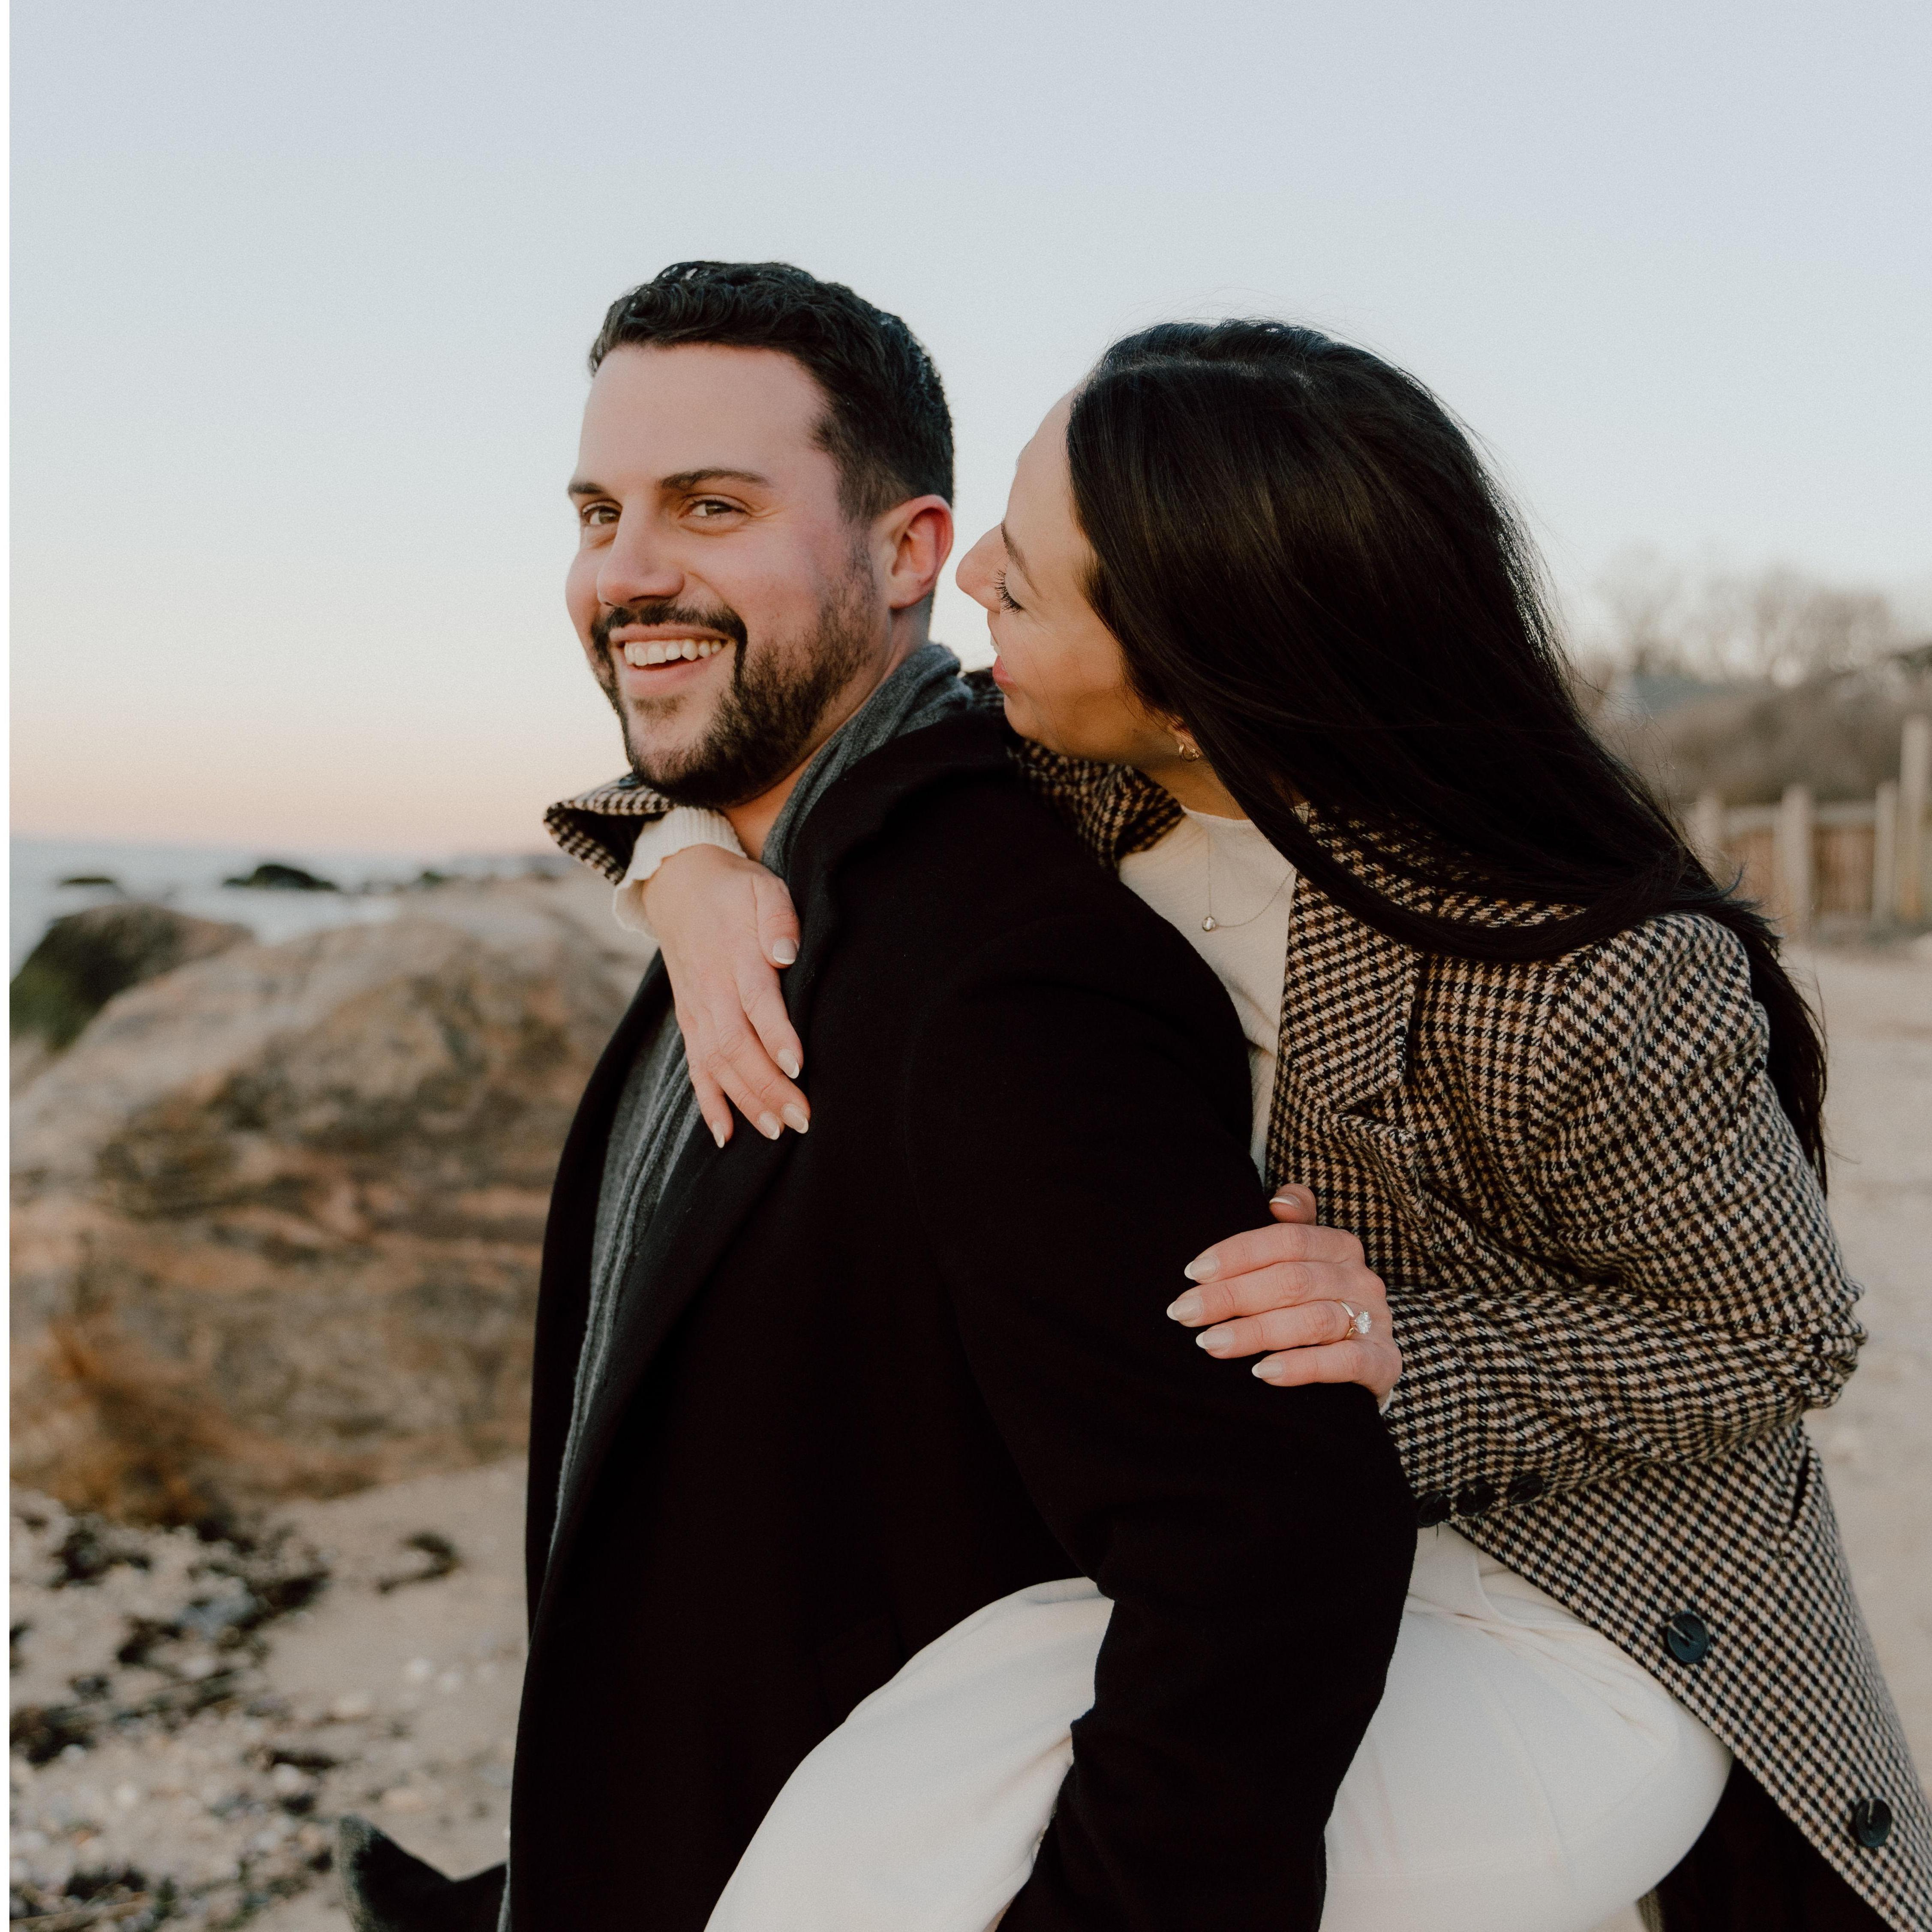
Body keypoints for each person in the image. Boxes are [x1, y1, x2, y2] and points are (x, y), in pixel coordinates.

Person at [613, 322, 1930, 1929]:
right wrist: (682, 868)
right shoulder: (1059, 787)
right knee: (847, 1835)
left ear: (1188, 666)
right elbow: (739, 743)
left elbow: (1771, 1337)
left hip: (1587, 1610)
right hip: (1239, 1554)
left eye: (1023, 579)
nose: (972, 595)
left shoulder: (1588, 974)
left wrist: (1392, 1345)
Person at [337, 264, 1416, 1932]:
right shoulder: (748, 867)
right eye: (598, 509)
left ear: (910, 552)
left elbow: (1272, 1552)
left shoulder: (1001, 959)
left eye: (711, 505)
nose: (628, 569)